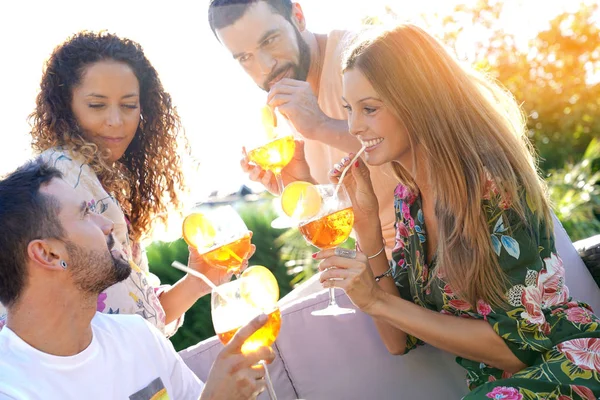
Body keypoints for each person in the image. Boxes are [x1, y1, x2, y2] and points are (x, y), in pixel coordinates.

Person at [314, 24, 600, 398]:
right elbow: (397, 340)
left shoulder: (492, 186)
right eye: (349, 110)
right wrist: (366, 225)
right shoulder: (408, 203)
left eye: (369, 109)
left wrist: (377, 300)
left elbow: (520, 349)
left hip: (568, 366)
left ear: (417, 102)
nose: (353, 126)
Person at [0, 31, 255, 336]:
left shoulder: (89, 177)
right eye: (97, 105)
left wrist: (197, 281)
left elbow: (135, 319)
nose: (116, 121)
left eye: (129, 105)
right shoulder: (66, 179)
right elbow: (136, 327)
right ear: (64, 108)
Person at [0, 160, 274, 400]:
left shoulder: (137, 336)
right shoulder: (11, 388)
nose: (107, 224)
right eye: (85, 213)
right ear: (47, 254)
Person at [208, 0, 398, 258]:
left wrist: (321, 125)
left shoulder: (362, 57)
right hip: (380, 263)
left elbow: (423, 137)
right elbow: (341, 219)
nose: (264, 66)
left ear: (298, 16)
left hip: (443, 246)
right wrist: (302, 184)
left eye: (270, 40)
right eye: (244, 57)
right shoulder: (286, 103)